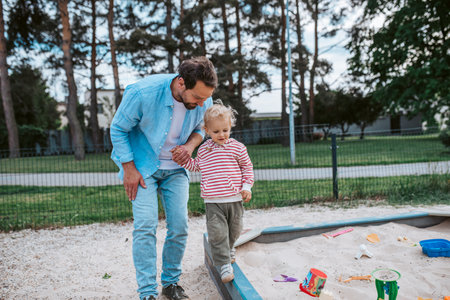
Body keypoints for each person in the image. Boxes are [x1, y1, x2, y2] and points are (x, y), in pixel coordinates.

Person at [110, 56, 217, 300]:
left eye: (205, 99)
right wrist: (128, 168)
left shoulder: (204, 97)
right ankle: (147, 292)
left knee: (179, 226)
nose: (203, 104)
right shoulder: (142, 93)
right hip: (142, 167)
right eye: (198, 98)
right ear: (181, 83)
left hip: (176, 170)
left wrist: (190, 146)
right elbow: (118, 128)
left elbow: (202, 127)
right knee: (146, 226)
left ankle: (171, 284)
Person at [172, 101, 254, 283]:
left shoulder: (238, 148)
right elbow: (195, 166)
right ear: (207, 130)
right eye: (216, 132)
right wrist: (182, 160)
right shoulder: (204, 150)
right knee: (217, 233)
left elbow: (247, 168)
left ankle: (230, 247)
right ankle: (224, 264)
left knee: (235, 230)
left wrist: (246, 187)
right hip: (213, 201)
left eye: (225, 130)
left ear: (230, 127)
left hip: (234, 199)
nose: (222, 135)